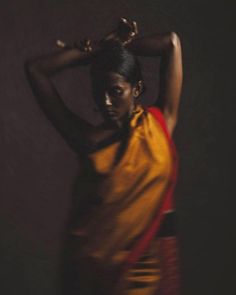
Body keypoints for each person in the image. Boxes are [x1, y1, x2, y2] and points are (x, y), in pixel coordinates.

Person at [24, 18, 182, 295]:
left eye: (116, 91)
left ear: (137, 89)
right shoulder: (87, 140)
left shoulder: (159, 123)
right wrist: (96, 50)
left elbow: (170, 43)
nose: (106, 101)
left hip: (152, 268)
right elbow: (36, 70)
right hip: (97, 274)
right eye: (99, 91)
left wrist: (112, 45)